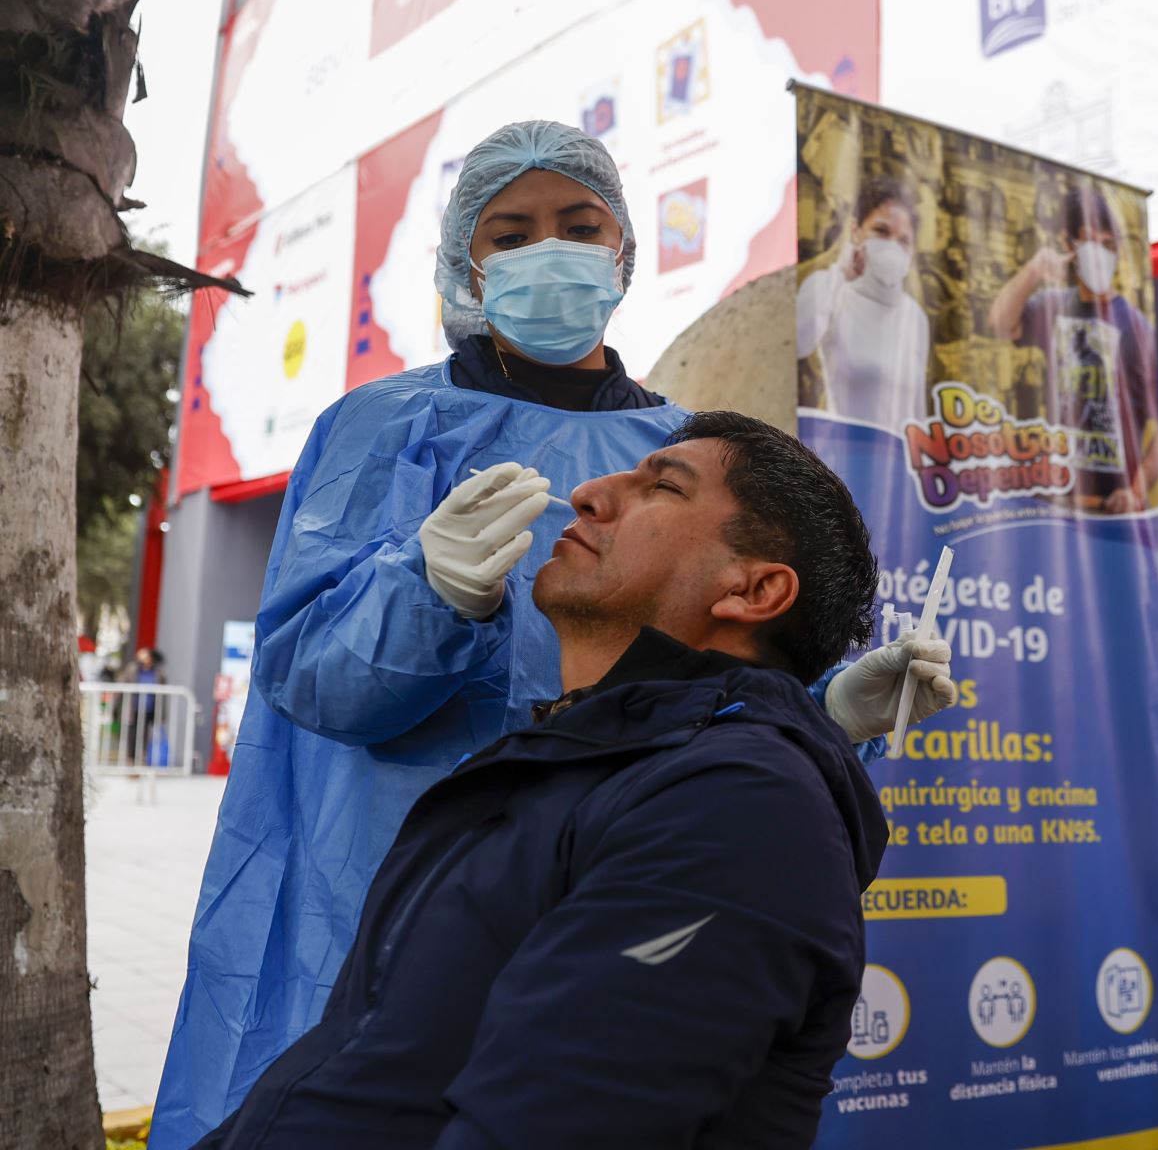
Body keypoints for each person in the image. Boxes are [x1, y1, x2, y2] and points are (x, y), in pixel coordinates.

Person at [151, 120, 953, 1150]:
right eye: (510, 232)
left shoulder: (687, 449)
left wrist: (814, 710)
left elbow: (707, 687)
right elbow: (306, 682)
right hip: (378, 884)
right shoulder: (376, 433)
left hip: (612, 871)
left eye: (578, 225)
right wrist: (426, 595)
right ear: (464, 264)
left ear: (623, 250)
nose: (549, 251)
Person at [192, 413, 886, 1149]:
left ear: (753, 590)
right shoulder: (577, 760)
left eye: (662, 488)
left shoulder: (743, 807)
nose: (588, 492)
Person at [987, 185, 1158, 514]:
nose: (1099, 253)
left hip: (1113, 505)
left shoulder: (1139, 327)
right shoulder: (1052, 306)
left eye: (1108, 244)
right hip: (1056, 495)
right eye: (1089, 241)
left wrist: (1135, 491)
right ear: (1069, 243)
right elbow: (998, 322)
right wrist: (1034, 272)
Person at [796, 177, 932, 430]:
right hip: (844, 456)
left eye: (903, 240)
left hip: (899, 463)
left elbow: (917, 411)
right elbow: (800, 342)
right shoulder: (830, 288)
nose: (892, 246)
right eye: (881, 231)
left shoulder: (915, 316)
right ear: (856, 231)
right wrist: (841, 274)